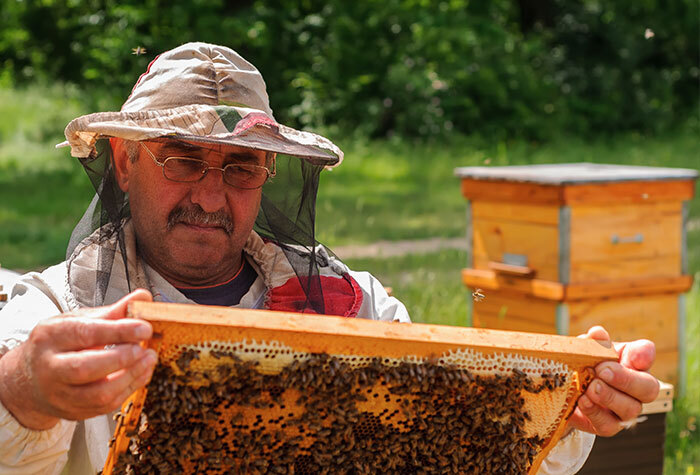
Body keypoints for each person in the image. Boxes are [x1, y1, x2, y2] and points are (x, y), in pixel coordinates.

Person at [0, 43, 659, 474]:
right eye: (182, 157)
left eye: (240, 166)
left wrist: (569, 407)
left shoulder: (352, 307)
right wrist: (25, 390)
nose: (209, 193)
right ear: (124, 158)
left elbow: (472, 448)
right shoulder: (56, 313)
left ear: (269, 173)